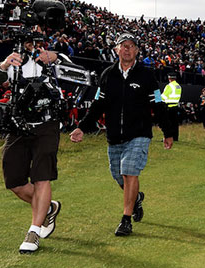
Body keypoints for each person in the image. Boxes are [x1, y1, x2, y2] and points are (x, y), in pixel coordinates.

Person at [69, 32, 173, 237]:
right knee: (119, 176)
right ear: (116, 50)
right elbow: (98, 104)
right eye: (123, 45)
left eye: (131, 46)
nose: (127, 49)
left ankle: (126, 219)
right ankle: (136, 199)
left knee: (129, 171)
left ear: (136, 50)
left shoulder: (146, 75)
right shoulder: (107, 75)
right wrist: (82, 126)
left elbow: (158, 103)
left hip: (140, 133)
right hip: (114, 135)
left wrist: (168, 131)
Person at [0, 32, 63, 254]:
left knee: (41, 176)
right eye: (26, 42)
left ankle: (34, 230)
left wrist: (56, 56)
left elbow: (77, 70)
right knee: (14, 181)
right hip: (19, 124)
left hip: (47, 124)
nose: (30, 46)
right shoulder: (15, 60)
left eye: (34, 41)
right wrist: (3, 65)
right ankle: (48, 207)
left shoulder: (48, 57)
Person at [161, 72, 181, 141]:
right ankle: (175, 138)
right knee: (175, 123)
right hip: (175, 106)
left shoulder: (169, 86)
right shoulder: (178, 86)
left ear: (169, 78)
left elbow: (163, 97)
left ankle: (167, 137)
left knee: (167, 123)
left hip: (169, 106)